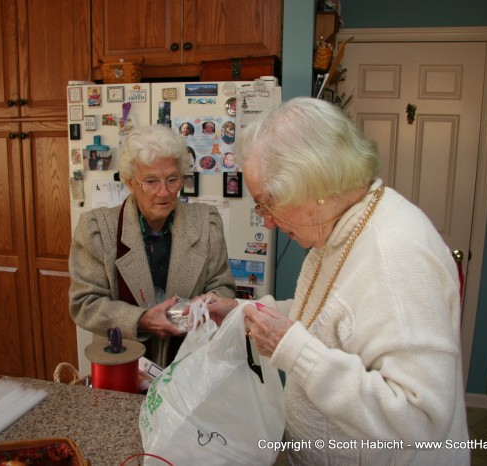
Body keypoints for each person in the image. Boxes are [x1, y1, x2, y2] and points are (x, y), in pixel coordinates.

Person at [201, 97, 469, 464]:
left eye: (267, 203)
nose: (266, 221)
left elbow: (421, 420)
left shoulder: (395, 257)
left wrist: (292, 349)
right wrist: (245, 311)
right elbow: (333, 320)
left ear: (313, 183)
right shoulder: (341, 226)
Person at [69, 125, 236, 367]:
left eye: (172, 179)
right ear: (130, 182)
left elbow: (223, 287)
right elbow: (84, 304)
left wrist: (206, 305)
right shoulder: (98, 229)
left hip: (189, 367)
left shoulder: (205, 223)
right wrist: (142, 320)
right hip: (122, 367)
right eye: (151, 181)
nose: (164, 192)